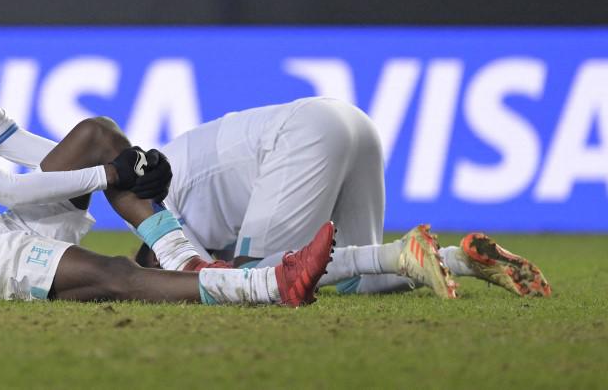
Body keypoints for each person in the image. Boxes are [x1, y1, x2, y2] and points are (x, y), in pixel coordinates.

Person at [0, 6, 336, 306]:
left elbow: (48, 154)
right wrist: (108, 175)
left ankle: (183, 258)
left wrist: (132, 162)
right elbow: (8, 189)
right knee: (116, 274)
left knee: (97, 132)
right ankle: (270, 286)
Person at [135, 99, 552, 298]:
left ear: (152, 254)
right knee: (359, 280)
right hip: (350, 122)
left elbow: (221, 277)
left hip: (302, 136)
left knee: (258, 279)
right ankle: (462, 259)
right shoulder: (171, 191)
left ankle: (401, 253)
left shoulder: (163, 213)